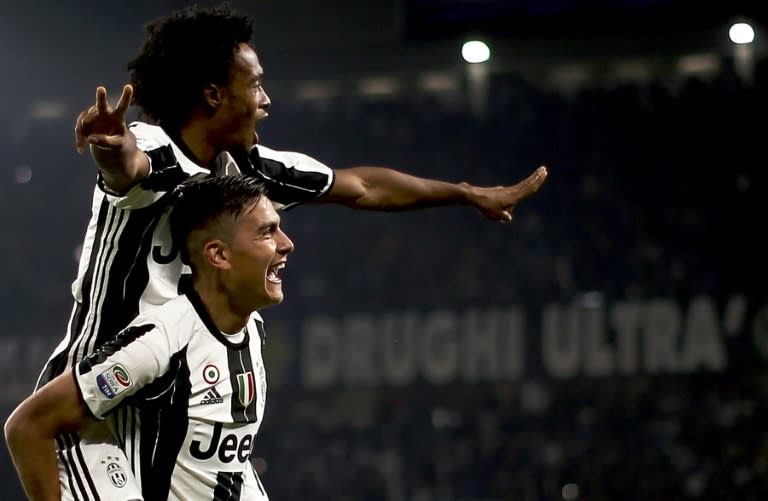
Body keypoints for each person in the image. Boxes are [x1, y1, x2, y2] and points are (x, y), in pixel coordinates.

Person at [24, 3, 547, 500]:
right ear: (212, 95)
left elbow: (362, 187)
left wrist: (466, 193)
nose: (266, 99)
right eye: (254, 84)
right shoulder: (155, 150)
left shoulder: (249, 173)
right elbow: (128, 165)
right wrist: (109, 149)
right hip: (93, 404)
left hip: (169, 405)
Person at [6, 174, 290, 501]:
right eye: (267, 232)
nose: (286, 243)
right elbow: (28, 426)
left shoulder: (253, 328)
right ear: (219, 255)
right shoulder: (161, 340)